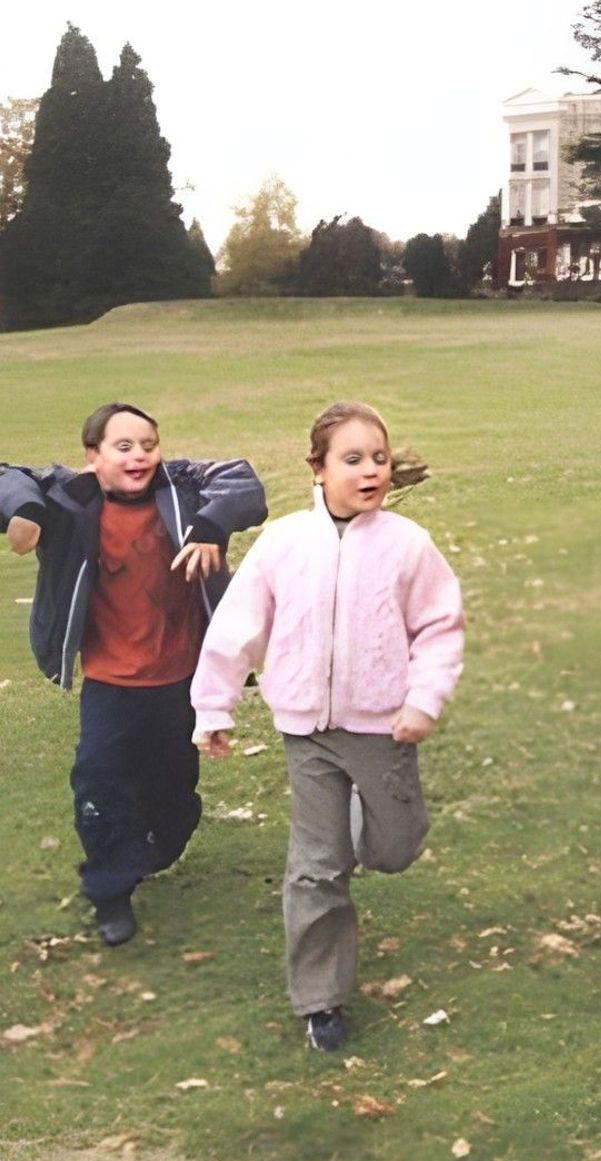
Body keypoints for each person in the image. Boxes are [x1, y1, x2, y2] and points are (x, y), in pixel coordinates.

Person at [189, 402, 464, 1052]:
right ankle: (320, 999)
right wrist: (213, 708)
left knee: (394, 849)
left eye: (379, 458)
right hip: (306, 732)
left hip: (383, 731)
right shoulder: (283, 543)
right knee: (316, 867)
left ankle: (363, 826)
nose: (370, 471)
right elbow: (235, 629)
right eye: (353, 459)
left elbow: (439, 627)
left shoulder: (408, 546)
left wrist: (423, 702)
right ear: (318, 468)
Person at [0, 405, 267, 945]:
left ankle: (161, 839)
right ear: (92, 456)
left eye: (148, 444)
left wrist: (211, 526)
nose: (139, 455)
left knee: (172, 794)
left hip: (181, 679)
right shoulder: (71, 499)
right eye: (123, 446)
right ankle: (110, 891)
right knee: (100, 783)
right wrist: (23, 511)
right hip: (111, 684)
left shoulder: (183, 489)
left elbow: (243, 482)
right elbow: (8, 475)